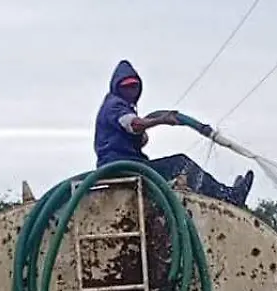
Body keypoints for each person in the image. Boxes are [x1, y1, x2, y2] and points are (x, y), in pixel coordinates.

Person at [94, 60, 254, 207]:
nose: (131, 91)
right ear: (117, 87)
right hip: (121, 166)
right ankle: (228, 197)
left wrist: (140, 137)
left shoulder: (118, 106)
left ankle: (219, 195)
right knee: (180, 164)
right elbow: (133, 124)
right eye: (126, 87)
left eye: (134, 86)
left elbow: (132, 130)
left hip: (124, 164)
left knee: (174, 176)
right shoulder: (115, 105)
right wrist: (161, 119)